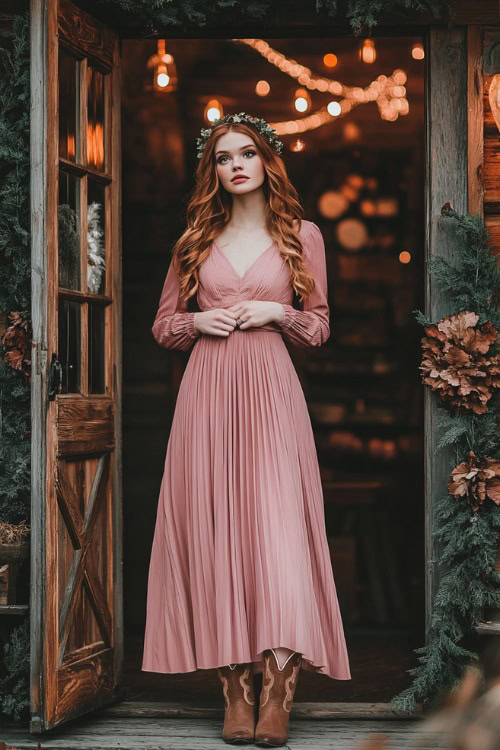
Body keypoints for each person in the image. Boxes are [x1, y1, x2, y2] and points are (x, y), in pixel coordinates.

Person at [141, 112, 351, 747]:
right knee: (217, 535)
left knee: (279, 538)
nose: (236, 165)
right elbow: (162, 325)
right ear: (213, 171)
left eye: (247, 154)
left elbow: (318, 325)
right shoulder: (193, 242)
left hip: (270, 395)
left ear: (266, 163)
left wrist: (278, 312)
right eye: (223, 157)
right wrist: (195, 325)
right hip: (207, 398)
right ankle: (234, 691)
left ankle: (278, 690)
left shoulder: (301, 235)